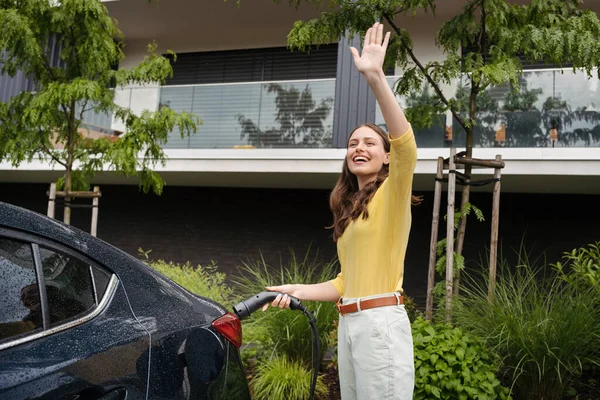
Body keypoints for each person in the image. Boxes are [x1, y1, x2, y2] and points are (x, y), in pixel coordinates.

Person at [264, 22, 418, 400]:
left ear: (385, 158)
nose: (358, 147)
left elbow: (406, 146)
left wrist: (376, 78)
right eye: (352, 143)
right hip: (351, 323)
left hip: (380, 324)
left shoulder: (393, 192)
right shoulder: (350, 213)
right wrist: (294, 290)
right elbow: (344, 284)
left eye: (369, 142)